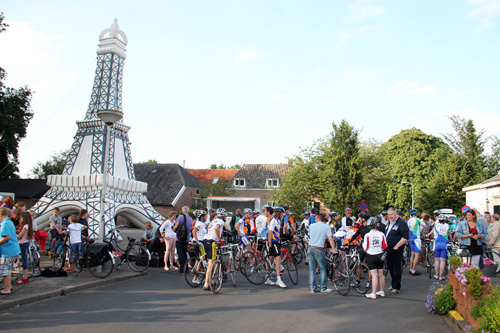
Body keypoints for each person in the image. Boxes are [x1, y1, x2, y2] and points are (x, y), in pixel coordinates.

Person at [307, 213, 336, 293]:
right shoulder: (326, 227)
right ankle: (323, 287)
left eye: (315, 218)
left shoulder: (312, 226)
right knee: (322, 268)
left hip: (310, 248)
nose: (315, 220)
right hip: (319, 249)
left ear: (318, 219)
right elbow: (330, 238)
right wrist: (333, 249)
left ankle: (312, 288)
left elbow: (310, 236)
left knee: (312, 269)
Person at [385, 207, 410, 294]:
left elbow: (405, 237)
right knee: (390, 267)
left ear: (396, 214)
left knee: (396, 267)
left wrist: (397, 246)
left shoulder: (401, 223)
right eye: (389, 215)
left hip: (396, 248)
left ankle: (397, 286)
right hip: (388, 248)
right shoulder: (389, 223)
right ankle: (393, 284)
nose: (390, 216)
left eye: (392, 214)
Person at [363, 217, 387, 299]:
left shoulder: (367, 235)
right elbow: (385, 246)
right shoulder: (381, 234)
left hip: (371, 255)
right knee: (381, 274)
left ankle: (373, 293)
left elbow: (365, 247)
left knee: (374, 275)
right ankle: (382, 291)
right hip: (380, 254)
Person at [202, 208, 225, 291]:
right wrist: (219, 239)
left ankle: (210, 281)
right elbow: (216, 229)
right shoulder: (220, 221)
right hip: (212, 241)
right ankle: (206, 284)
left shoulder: (212, 221)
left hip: (206, 240)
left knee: (211, 262)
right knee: (211, 264)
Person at [0, 207, 21, 294]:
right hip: (14, 249)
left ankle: (7, 288)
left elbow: (7, 237)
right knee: (8, 269)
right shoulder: (9, 222)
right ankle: (7, 285)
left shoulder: (4, 223)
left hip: (8, 250)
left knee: (5, 270)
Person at [265, 206, 286, 288]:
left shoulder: (277, 220)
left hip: (275, 242)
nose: (283, 215)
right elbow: (270, 233)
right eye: (282, 214)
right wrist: (270, 245)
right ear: (278, 213)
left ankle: (267, 277)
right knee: (278, 260)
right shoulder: (274, 220)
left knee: (271, 260)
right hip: (273, 243)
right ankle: (278, 279)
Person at [16, 212, 33, 284]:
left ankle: (25, 276)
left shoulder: (25, 226)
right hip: (25, 242)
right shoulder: (27, 225)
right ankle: (25, 276)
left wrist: (12, 233)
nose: (20, 219)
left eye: (21, 218)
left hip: (22, 243)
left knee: (24, 259)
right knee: (24, 258)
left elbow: (19, 236)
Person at [173, 206, 193, 270]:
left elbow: (176, 226)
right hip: (186, 238)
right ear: (188, 211)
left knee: (180, 253)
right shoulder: (191, 219)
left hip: (180, 238)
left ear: (182, 211)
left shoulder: (180, 217)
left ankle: (182, 268)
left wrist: (173, 229)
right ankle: (186, 267)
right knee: (184, 253)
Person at [432, 214, 451, 280]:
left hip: (437, 243)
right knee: (443, 261)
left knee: (437, 260)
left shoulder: (436, 225)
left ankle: (436, 275)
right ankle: (441, 276)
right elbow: (449, 234)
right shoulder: (447, 226)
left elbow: (435, 235)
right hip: (444, 244)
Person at [407, 208, 422, 276]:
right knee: (416, 255)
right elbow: (423, 225)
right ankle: (413, 270)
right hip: (416, 238)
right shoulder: (417, 219)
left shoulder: (409, 220)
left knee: (412, 255)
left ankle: (410, 269)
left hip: (411, 237)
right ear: (416, 214)